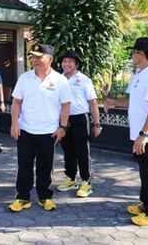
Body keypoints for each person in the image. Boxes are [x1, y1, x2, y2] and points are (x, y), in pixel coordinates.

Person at [104, 37, 148, 226]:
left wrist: (144, 135)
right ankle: (145, 203)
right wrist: (114, 103)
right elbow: (133, 101)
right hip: (140, 135)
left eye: (133, 52)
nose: (131, 55)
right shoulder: (139, 74)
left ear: (141, 54)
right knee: (145, 172)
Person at [8, 44, 72, 213]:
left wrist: (63, 127)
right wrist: (14, 122)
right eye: (33, 57)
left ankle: (45, 197)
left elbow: (66, 106)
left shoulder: (61, 80)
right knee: (24, 165)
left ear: (49, 59)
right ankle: (23, 197)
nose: (34, 60)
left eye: (38, 57)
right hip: (26, 130)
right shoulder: (25, 78)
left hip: (49, 132)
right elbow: (16, 102)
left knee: (45, 166)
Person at [56, 51, 102, 198]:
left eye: (70, 62)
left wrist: (97, 124)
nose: (66, 64)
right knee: (67, 150)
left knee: (82, 151)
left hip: (80, 119)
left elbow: (93, 103)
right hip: (64, 121)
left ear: (76, 64)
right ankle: (71, 179)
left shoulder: (84, 80)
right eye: (64, 61)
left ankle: (86, 181)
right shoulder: (58, 79)